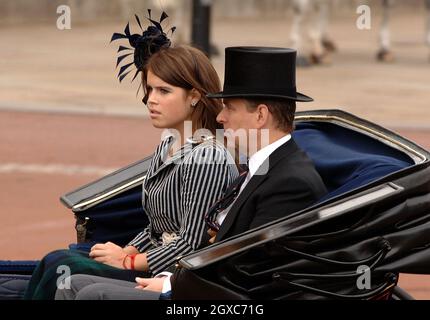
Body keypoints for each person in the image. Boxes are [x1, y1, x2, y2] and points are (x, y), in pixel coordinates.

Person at [55, 46, 328, 300]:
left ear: (260, 116)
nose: (220, 117)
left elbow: (251, 268)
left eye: (230, 108)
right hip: (196, 280)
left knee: (89, 292)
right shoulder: (261, 167)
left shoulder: (290, 181)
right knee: (75, 284)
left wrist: (173, 283)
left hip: (228, 299)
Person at [23, 13, 238, 300]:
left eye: (164, 91)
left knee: (64, 266)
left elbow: (190, 244)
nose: (151, 99)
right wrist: (128, 249)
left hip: (173, 274)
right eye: (150, 89)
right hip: (149, 258)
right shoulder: (169, 143)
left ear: (195, 97)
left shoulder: (207, 156)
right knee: (54, 260)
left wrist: (128, 261)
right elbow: (155, 227)